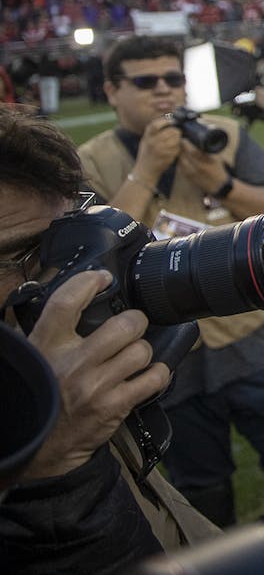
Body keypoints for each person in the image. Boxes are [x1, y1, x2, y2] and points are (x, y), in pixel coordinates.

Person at [73, 36, 264, 570]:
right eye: (145, 82)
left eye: (173, 80)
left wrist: (220, 182)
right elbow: (93, 266)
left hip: (255, 337)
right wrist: (147, 172)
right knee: (203, 490)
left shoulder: (225, 135)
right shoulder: (90, 160)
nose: (163, 92)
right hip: (165, 356)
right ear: (111, 91)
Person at [0, 105, 219, 574]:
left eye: (71, 232)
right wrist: (51, 472)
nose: (63, 270)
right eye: (20, 254)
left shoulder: (58, 373)